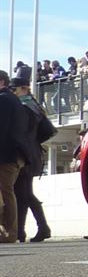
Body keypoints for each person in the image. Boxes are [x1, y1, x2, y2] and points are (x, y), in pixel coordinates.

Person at [10, 66, 54, 242]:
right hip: (32, 153)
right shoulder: (33, 105)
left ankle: (38, 228)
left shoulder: (25, 106)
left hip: (26, 154)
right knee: (23, 193)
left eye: (15, 89)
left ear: (22, 89)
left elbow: (22, 132)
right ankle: (25, 229)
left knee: (24, 193)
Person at [0, 69, 36, 243]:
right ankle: (9, 231)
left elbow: (2, 129)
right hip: (14, 153)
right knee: (8, 192)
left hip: (7, 154)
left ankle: (9, 233)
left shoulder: (4, 100)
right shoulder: (12, 100)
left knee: (6, 192)